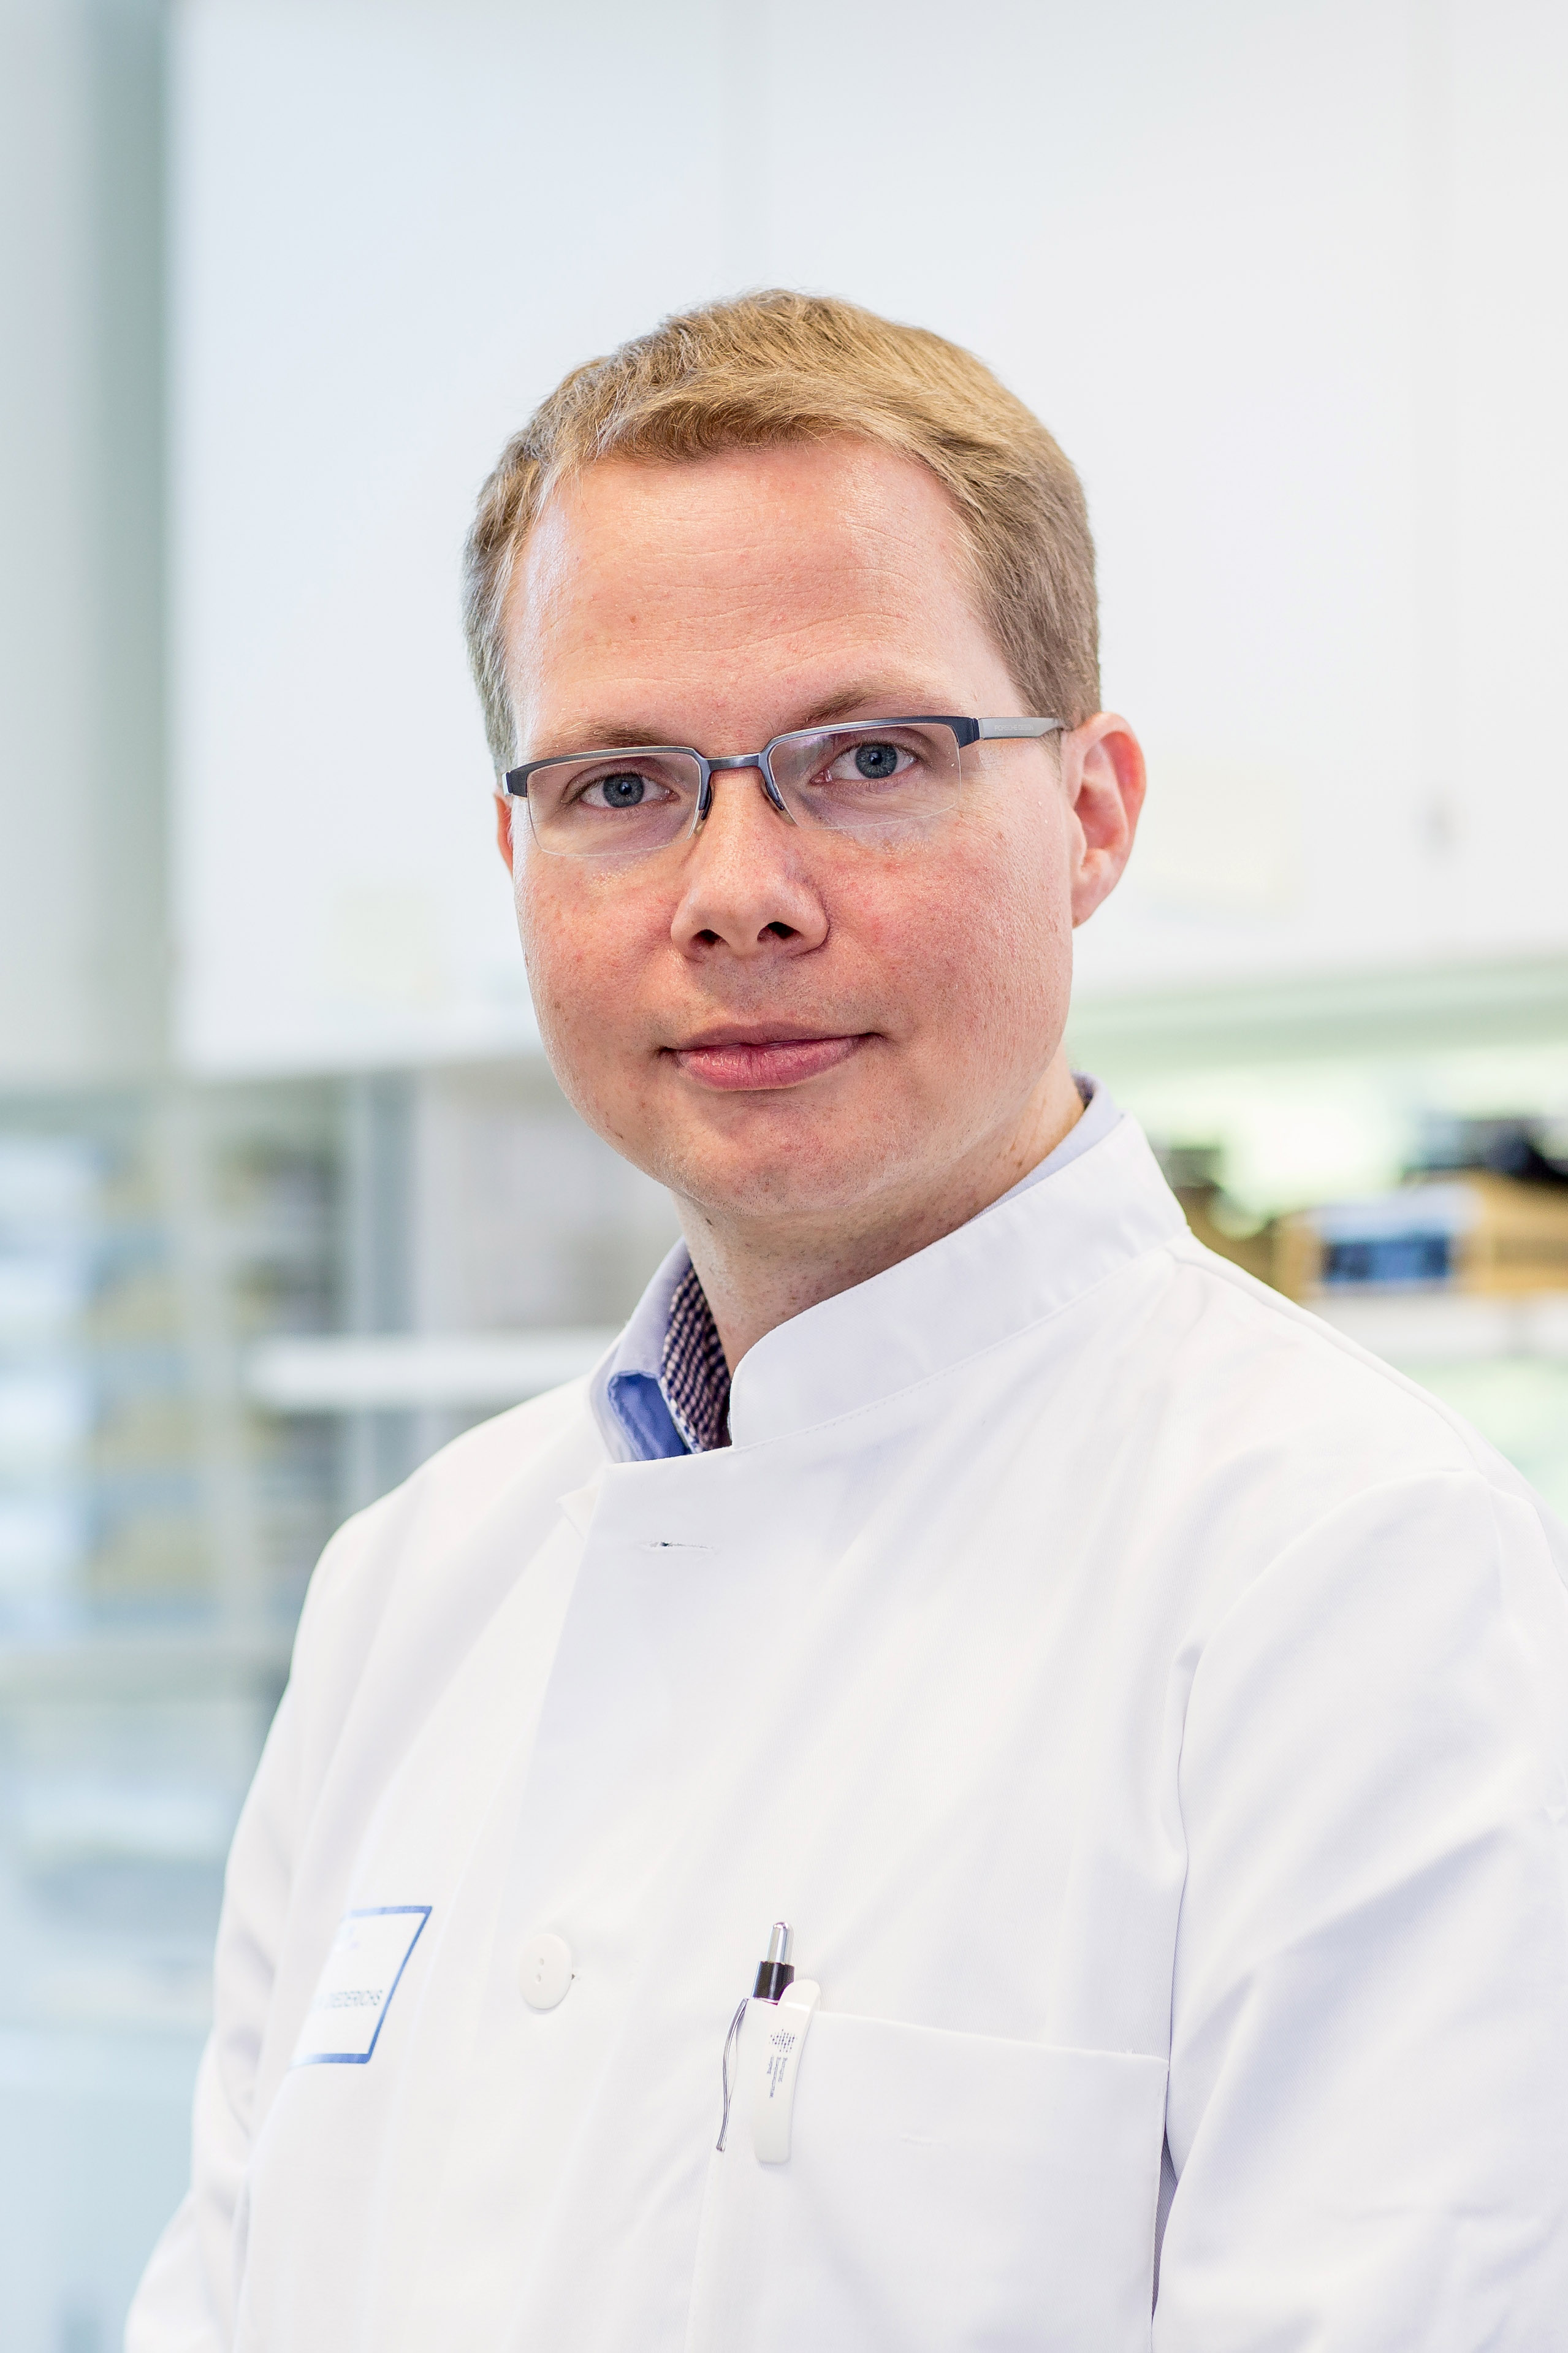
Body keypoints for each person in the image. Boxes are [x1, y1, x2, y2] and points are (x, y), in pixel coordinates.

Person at [129, 291, 1568, 2352]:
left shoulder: (1350, 1570)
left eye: (869, 757)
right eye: (622, 784)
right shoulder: (406, 1591)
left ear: (1092, 815)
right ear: (516, 851)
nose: (737, 889)